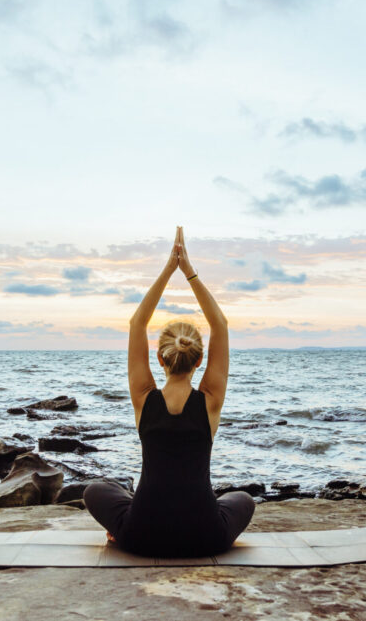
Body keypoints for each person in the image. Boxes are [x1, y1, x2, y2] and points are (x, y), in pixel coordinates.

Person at [83, 226, 256, 558]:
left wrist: (168, 269)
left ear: (159, 358)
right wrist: (188, 271)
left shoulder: (143, 397)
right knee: (243, 500)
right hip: (206, 536)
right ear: (200, 360)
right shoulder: (210, 401)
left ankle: (123, 525)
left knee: (95, 489)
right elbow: (220, 324)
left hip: (141, 536)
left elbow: (137, 324)